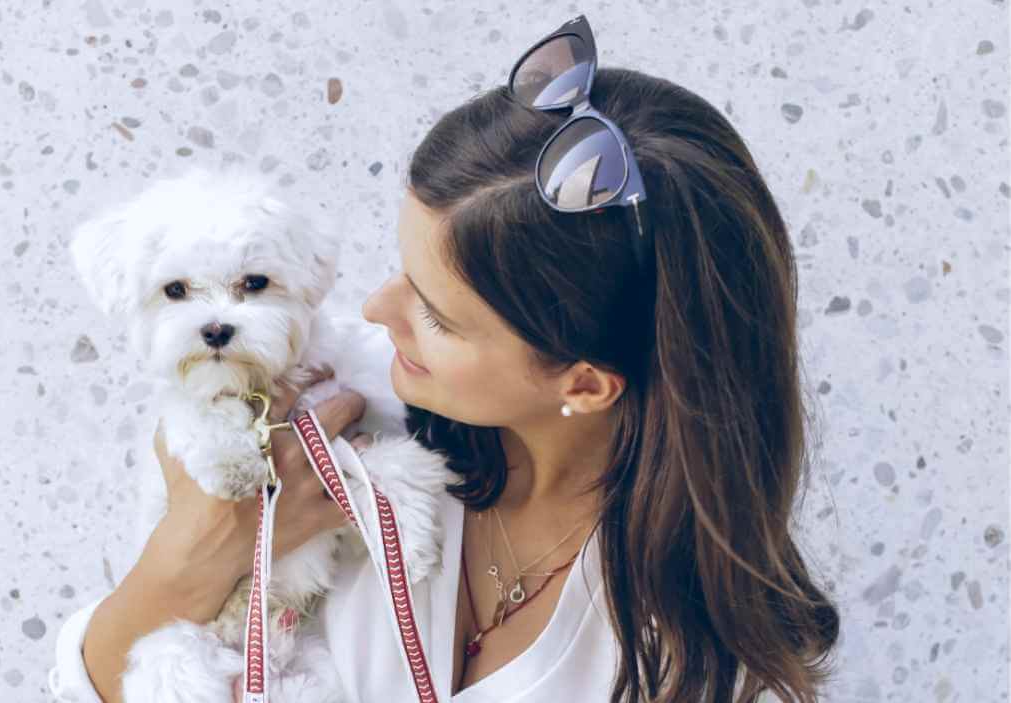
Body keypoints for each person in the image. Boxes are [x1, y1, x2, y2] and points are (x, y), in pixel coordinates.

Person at [50, 17, 841, 703]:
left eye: (434, 312)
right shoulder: (339, 409)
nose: (373, 310)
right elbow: (96, 679)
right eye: (402, 270)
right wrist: (209, 537)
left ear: (586, 383)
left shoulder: (703, 666)